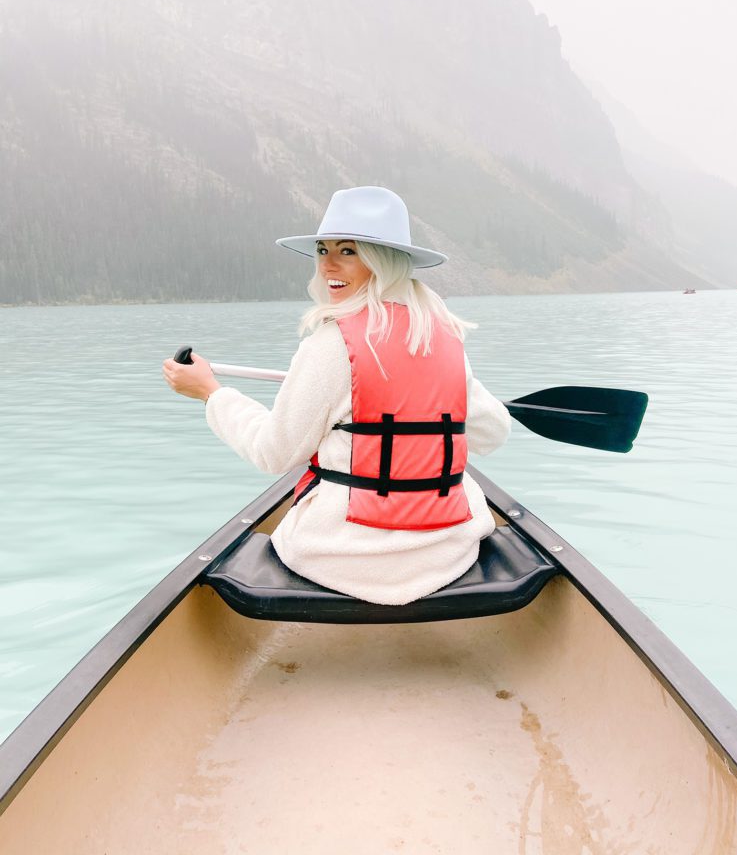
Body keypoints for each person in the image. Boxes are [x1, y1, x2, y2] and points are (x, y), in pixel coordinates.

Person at [162, 186, 510, 605]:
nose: (328, 263)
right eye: (323, 249)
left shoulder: (330, 345)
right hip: (446, 555)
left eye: (348, 250)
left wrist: (211, 394)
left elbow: (274, 453)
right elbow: (492, 435)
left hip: (341, 559)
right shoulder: (445, 336)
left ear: (384, 261)